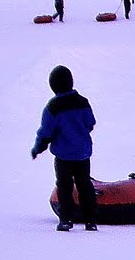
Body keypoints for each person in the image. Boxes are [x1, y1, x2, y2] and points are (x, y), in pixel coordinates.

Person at [31, 64, 98, 231]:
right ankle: (90, 221)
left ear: (53, 86)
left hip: (63, 156)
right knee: (84, 185)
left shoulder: (53, 107)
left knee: (64, 186)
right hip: (83, 153)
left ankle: (66, 219)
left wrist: (38, 148)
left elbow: (46, 132)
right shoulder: (83, 102)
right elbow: (90, 122)